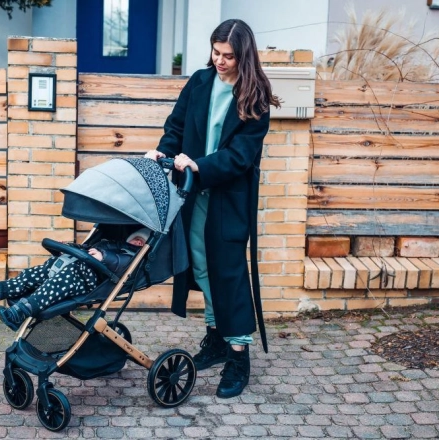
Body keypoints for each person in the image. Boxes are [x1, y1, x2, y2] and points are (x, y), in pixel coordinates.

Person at [145, 19, 279, 399]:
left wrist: (201, 165)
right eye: (216, 52)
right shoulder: (199, 83)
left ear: (244, 56)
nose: (219, 61)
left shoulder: (256, 97)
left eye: (228, 56)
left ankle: (239, 356)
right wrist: (164, 154)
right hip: (192, 196)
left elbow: (240, 157)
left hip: (226, 200)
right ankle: (217, 339)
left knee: (229, 274)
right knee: (201, 268)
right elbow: (175, 128)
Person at [0, 228, 151, 331]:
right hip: (74, 267)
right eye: (136, 239)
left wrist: (104, 257)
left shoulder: (130, 255)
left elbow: (121, 264)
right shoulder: (111, 243)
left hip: (91, 280)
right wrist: (70, 247)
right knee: (34, 274)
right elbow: (86, 247)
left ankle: (20, 313)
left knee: (53, 287)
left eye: (141, 242)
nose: (137, 242)